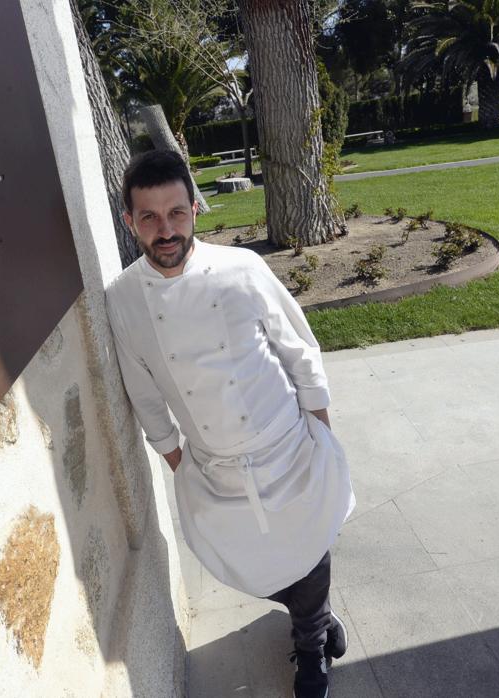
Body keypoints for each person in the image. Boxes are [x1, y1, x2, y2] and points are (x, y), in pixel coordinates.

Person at [105, 150, 355, 698]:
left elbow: (299, 351)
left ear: (195, 208)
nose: (164, 230)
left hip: (286, 443)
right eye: (148, 217)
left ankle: (311, 640)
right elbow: (143, 392)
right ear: (130, 222)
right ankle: (314, 613)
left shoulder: (243, 268)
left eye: (175, 213)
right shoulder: (123, 299)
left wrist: (321, 431)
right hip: (213, 464)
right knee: (246, 564)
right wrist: (178, 461)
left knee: (308, 547)